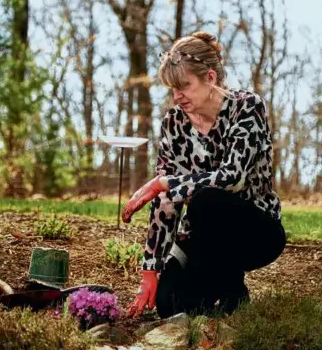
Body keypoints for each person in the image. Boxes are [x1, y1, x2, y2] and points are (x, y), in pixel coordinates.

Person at [122, 31, 286, 319]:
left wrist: (164, 183)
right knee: (170, 306)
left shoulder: (247, 108)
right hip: (204, 236)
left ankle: (232, 291)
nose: (177, 96)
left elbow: (232, 177)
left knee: (206, 200)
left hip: (256, 231)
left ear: (210, 78)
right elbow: (165, 201)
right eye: (172, 88)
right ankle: (224, 296)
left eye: (184, 85)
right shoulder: (173, 123)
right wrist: (150, 268)